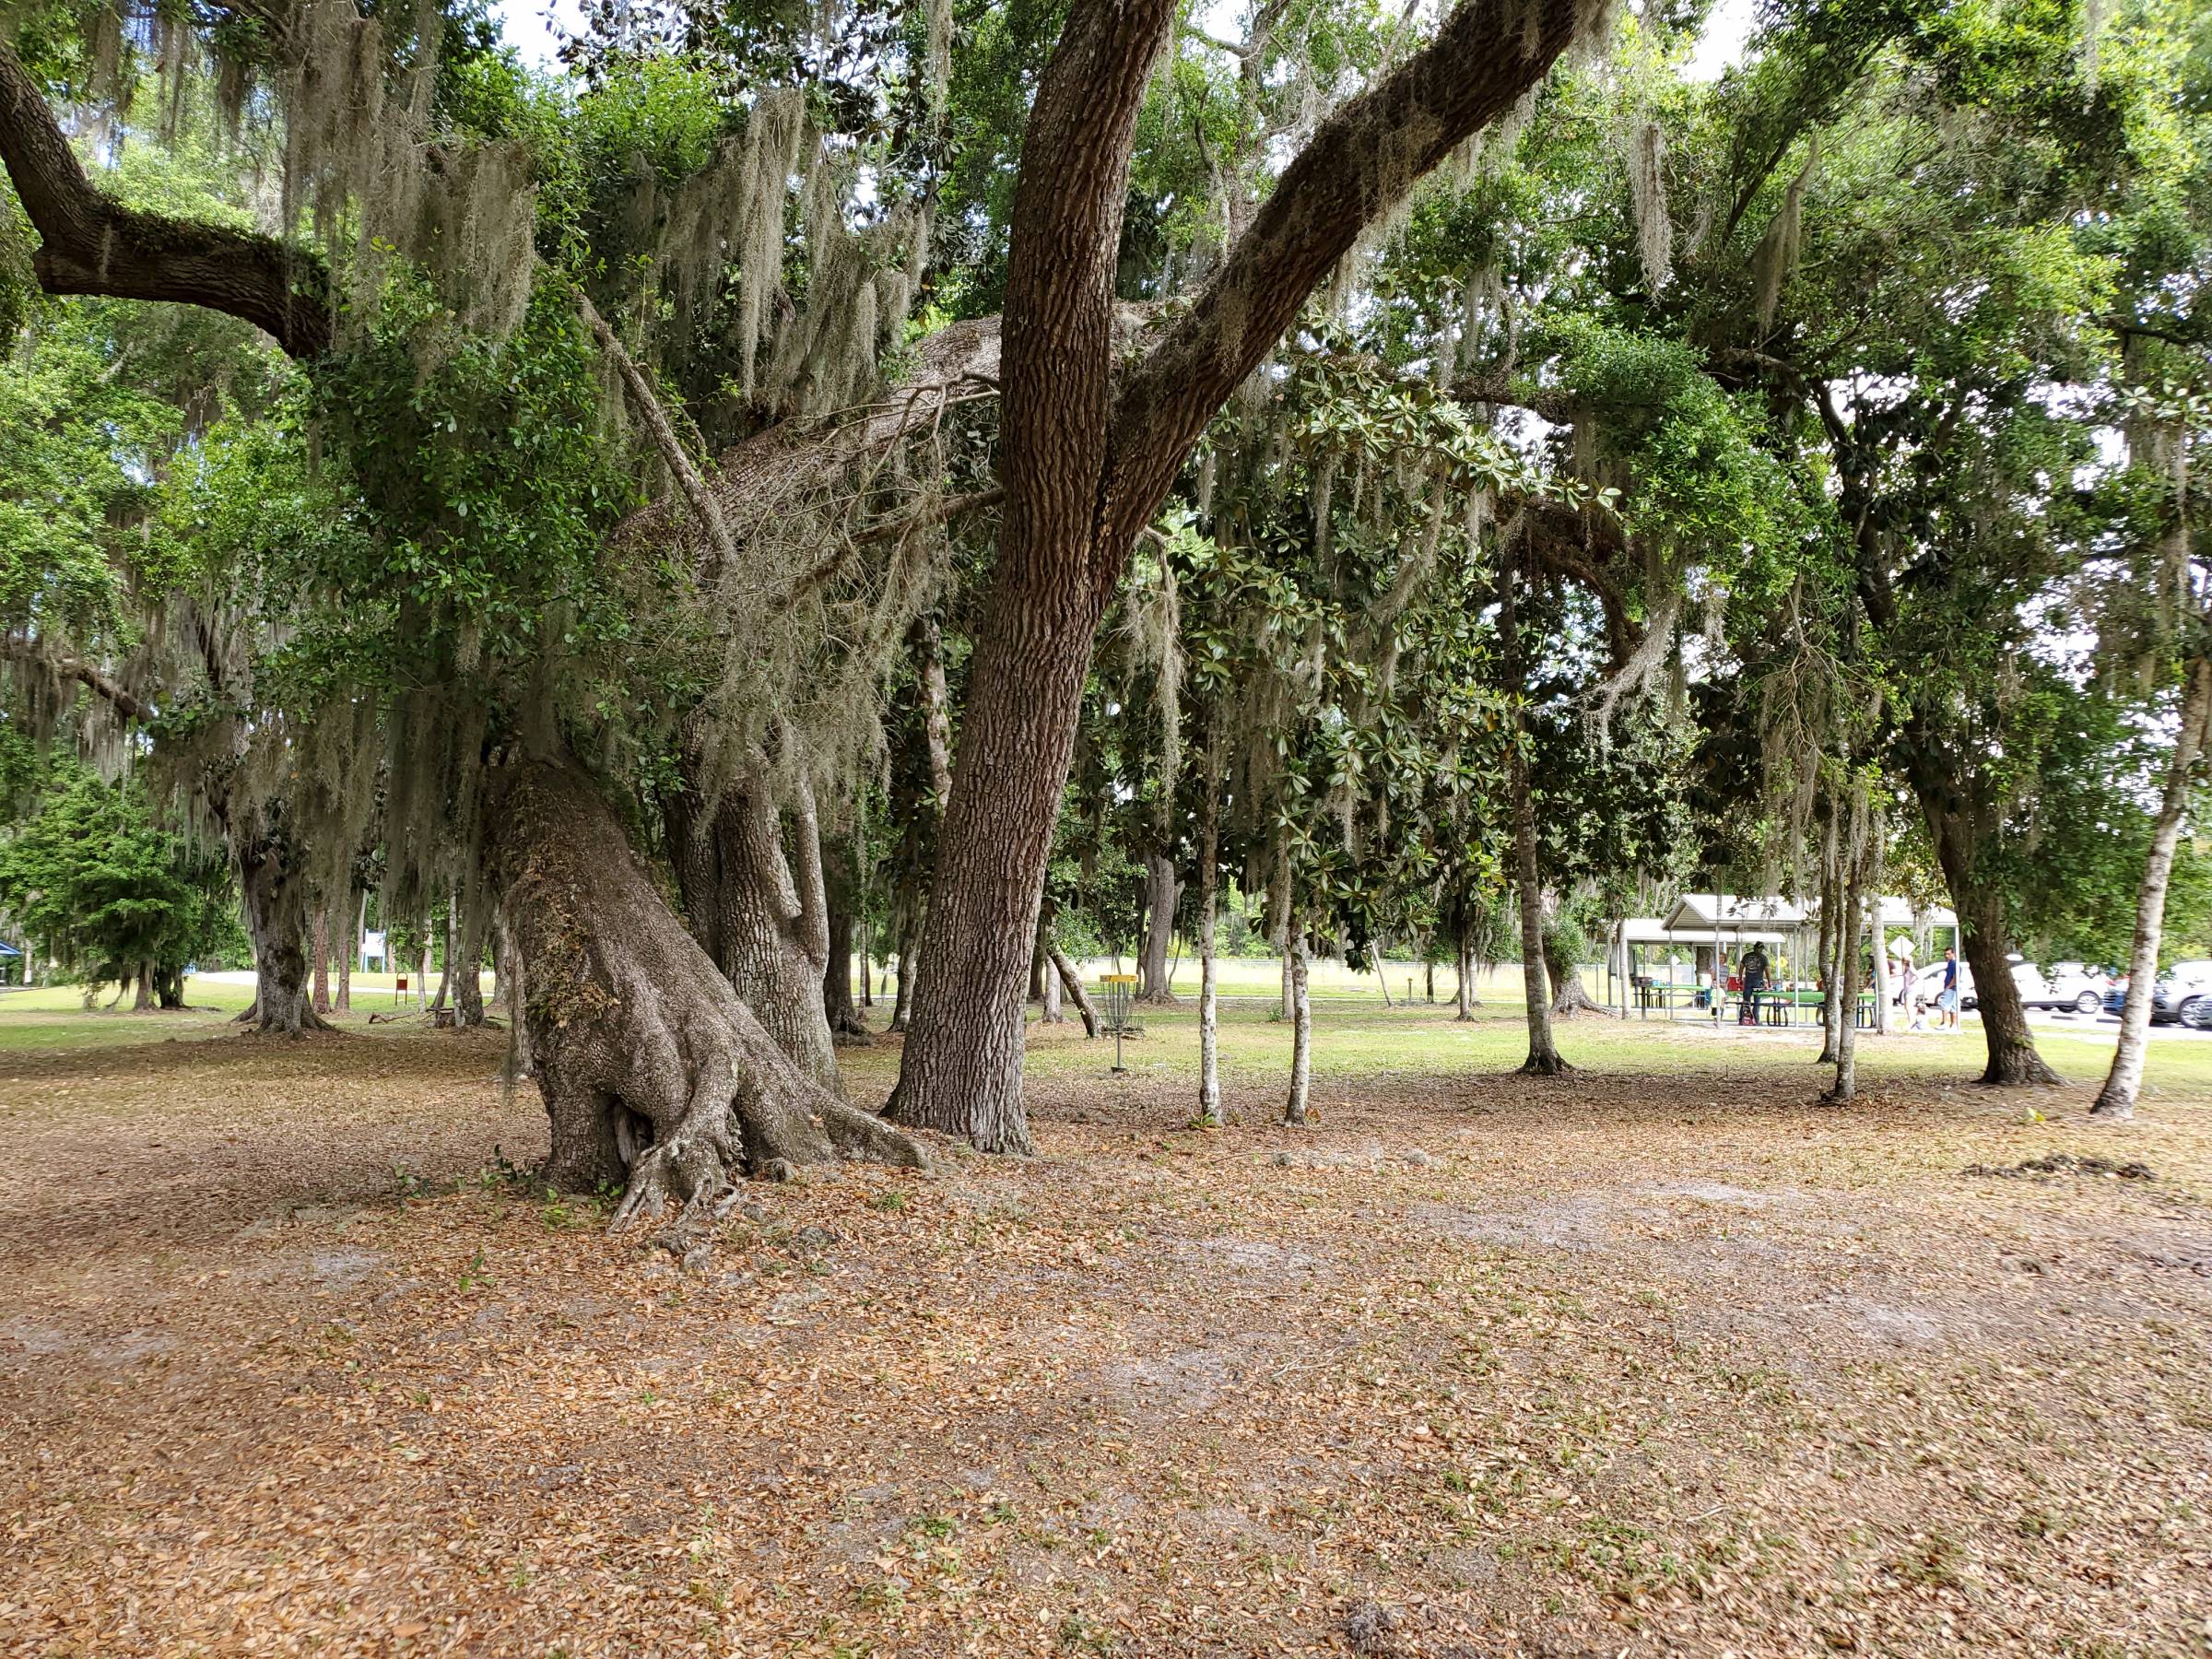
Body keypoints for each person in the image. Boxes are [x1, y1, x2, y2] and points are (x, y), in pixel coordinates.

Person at [1740, 943, 1770, 1025]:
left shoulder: (1746, 956)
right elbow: (1767, 971)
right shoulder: (1763, 958)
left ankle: (1742, 1019)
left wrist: (1740, 978)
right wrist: (1769, 982)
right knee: (1757, 1001)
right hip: (1757, 981)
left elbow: (1741, 967)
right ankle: (1755, 1020)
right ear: (1761, 949)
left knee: (1746, 1001)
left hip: (1748, 980)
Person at [1938, 946, 1960, 1029]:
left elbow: (1955, 977)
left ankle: (1944, 1023)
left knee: (1944, 1004)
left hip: (1951, 988)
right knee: (1953, 1007)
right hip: (1953, 988)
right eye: (1945, 954)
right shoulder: (1950, 964)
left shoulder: (1954, 964)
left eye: (1948, 954)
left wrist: (1948, 987)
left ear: (1953, 954)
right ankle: (1954, 1024)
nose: (1946, 956)